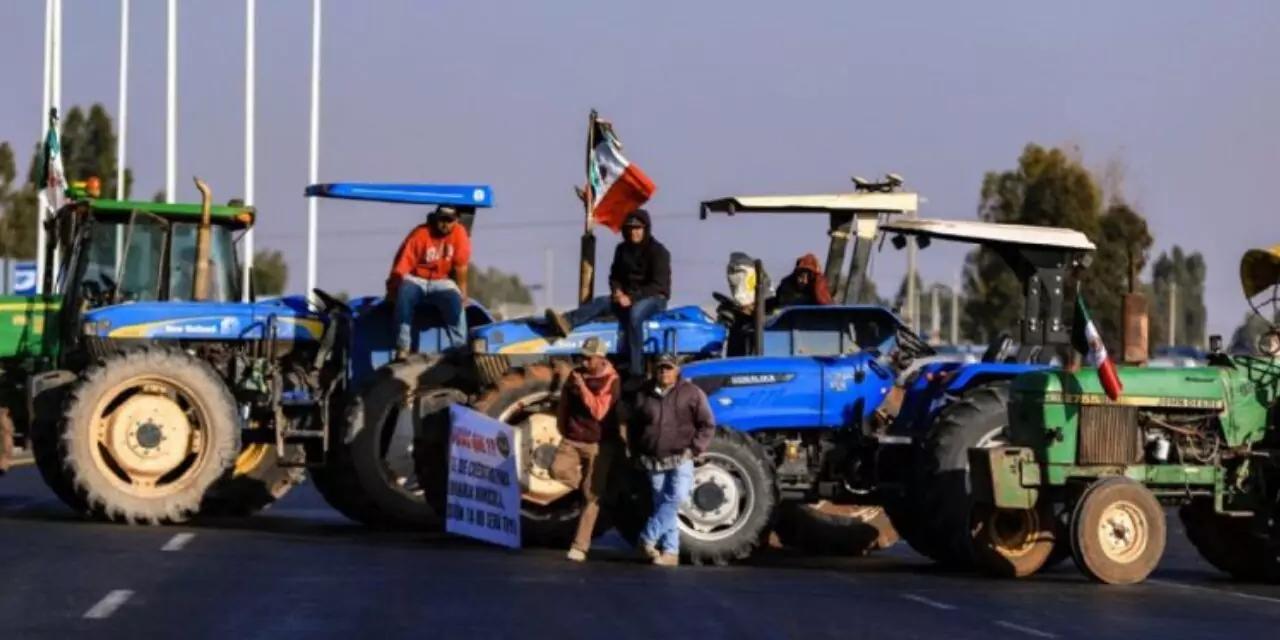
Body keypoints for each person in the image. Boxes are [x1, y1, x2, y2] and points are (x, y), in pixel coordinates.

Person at [546, 209, 671, 375]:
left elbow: (658, 285)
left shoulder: (658, 252)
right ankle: (566, 322)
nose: (634, 232)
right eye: (630, 229)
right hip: (626, 296)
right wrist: (617, 292)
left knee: (635, 315)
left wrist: (632, 298)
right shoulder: (622, 250)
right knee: (601, 303)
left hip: (653, 298)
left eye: (638, 228)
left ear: (646, 229)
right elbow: (615, 276)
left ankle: (636, 368)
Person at [629, 353, 715, 567]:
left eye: (668, 368)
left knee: (676, 498)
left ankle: (647, 537)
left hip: (681, 457)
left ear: (677, 370)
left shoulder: (692, 393)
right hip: (654, 459)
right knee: (661, 504)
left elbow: (707, 424)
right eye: (660, 368)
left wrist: (694, 449)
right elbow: (635, 425)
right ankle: (671, 552)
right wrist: (636, 451)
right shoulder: (644, 393)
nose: (664, 372)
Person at [551, 337, 623, 562]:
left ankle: (580, 546)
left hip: (598, 442)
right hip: (573, 438)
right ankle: (588, 489)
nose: (583, 361)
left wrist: (582, 387)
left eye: (588, 358)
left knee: (591, 498)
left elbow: (599, 411)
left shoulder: (612, 380)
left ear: (601, 358)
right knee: (557, 469)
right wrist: (563, 428)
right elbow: (564, 403)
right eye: (582, 356)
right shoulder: (574, 376)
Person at [387, 205, 471, 358]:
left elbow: (461, 267)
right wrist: (393, 288)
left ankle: (460, 348)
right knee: (405, 293)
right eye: (442, 220)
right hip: (416, 278)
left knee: (455, 300)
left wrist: (463, 294)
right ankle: (403, 347)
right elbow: (403, 263)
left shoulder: (460, 234)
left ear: (456, 220)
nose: (445, 224)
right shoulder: (420, 233)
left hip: (442, 280)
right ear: (435, 218)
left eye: (449, 220)